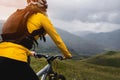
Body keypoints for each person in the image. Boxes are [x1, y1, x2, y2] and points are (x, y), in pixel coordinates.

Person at [0, 0, 72, 80]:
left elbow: (16, 43)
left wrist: (30, 53)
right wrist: (67, 55)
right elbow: (57, 40)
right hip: (15, 58)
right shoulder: (41, 17)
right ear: (43, 7)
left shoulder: (19, 16)